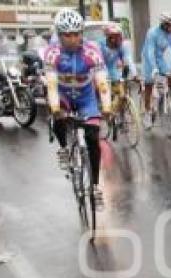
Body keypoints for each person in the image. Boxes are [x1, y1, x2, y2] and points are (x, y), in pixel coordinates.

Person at [45, 8, 111, 210]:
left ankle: (95, 186)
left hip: (85, 97)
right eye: (67, 35)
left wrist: (106, 106)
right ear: (59, 34)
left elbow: (101, 82)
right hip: (63, 95)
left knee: (93, 137)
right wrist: (56, 107)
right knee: (58, 117)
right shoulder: (52, 53)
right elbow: (52, 85)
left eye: (76, 34)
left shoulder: (92, 51)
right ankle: (64, 147)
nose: (73, 39)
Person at [141, 12, 171, 128]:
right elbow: (150, 51)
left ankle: (162, 97)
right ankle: (147, 113)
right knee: (149, 84)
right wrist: (154, 68)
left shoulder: (170, 36)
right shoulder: (152, 33)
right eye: (170, 25)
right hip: (148, 59)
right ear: (163, 24)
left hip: (159, 58)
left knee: (168, 76)